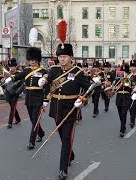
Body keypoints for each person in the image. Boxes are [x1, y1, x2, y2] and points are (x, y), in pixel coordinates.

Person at [41, 43, 91, 180]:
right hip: (56, 108)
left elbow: (90, 88)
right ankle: (70, 153)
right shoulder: (54, 70)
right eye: (60, 56)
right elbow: (48, 83)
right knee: (63, 136)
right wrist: (43, 83)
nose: (62, 59)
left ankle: (62, 169)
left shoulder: (78, 72)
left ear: (71, 57)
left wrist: (82, 99)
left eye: (64, 56)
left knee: (67, 137)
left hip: (70, 109)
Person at [5, 47, 48, 150]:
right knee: (33, 120)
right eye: (30, 60)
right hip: (28, 98)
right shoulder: (27, 70)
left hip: (38, 99)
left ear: (37, 60)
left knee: (35, 120)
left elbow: (47, 85)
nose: (32, 62)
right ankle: (41, 133)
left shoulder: (43, 71)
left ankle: (31, 142)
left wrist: (46, 99)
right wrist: (11, 78)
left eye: (34, 60)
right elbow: (19, 75)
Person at [4, 58, 24, 128]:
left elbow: (23, 84)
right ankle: (18, 119)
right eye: (10, 66)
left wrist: (18, 92)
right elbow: (5, 83)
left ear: (15, 66)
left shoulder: (19, 73)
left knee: (12, 107)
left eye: (12, 66)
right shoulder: (7, 73)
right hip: (8, 92)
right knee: (13, 107)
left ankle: (10, 123)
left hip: (15, 93)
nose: (11, 68)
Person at [115, 63, 132, 137]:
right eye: (123, 72)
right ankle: (123, 125)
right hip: (119, 97)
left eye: (125, 72)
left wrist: (125, 79)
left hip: (126, 97)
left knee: (123, 113)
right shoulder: (118, 77)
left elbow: (128, 86)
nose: (124, 73)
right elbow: (115, 87)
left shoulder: (129, 77)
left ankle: (122, 129)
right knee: (120, 113)